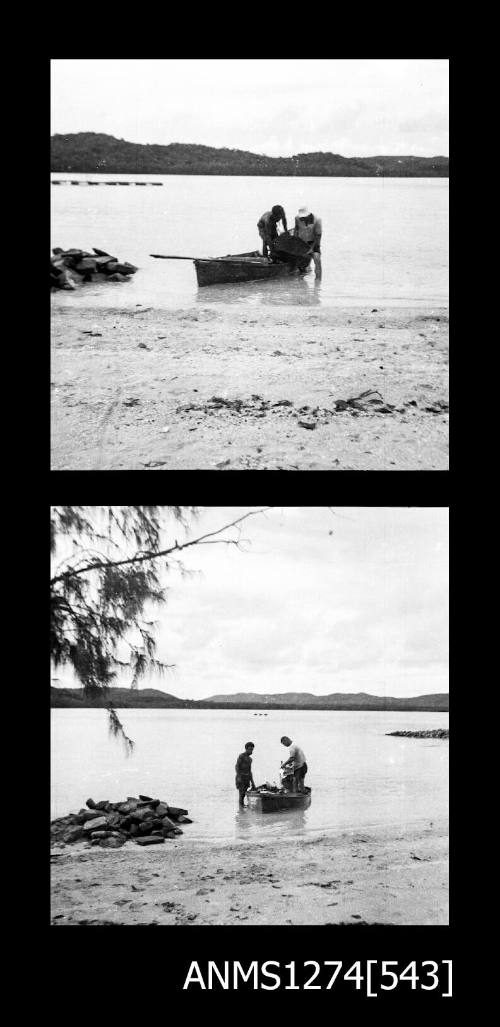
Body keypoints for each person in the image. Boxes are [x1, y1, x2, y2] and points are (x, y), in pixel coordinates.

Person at [294, 206, 322, 277]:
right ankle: (300, 281)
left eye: (304, 217)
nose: (302, 218)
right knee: (299, 263)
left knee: (317, 259)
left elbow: (318, 236)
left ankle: (318, 282)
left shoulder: (317, 220)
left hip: (313, 242)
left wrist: (311, 248)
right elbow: (296, 229)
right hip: (302, 242)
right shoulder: (297, 218)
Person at [235, 742, 256, 806]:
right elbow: (237, 766)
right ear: (246, 749)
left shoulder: (250, 759)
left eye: (252, 749)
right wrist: (239, 777)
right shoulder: (241, 756)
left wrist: (253, 783)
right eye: (249, 749)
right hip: (241, 777)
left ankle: (242, 810)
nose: (251, 751)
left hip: (247, 778)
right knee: (241, 795)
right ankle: (241, 810)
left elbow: (250, 771)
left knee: (244, 794)